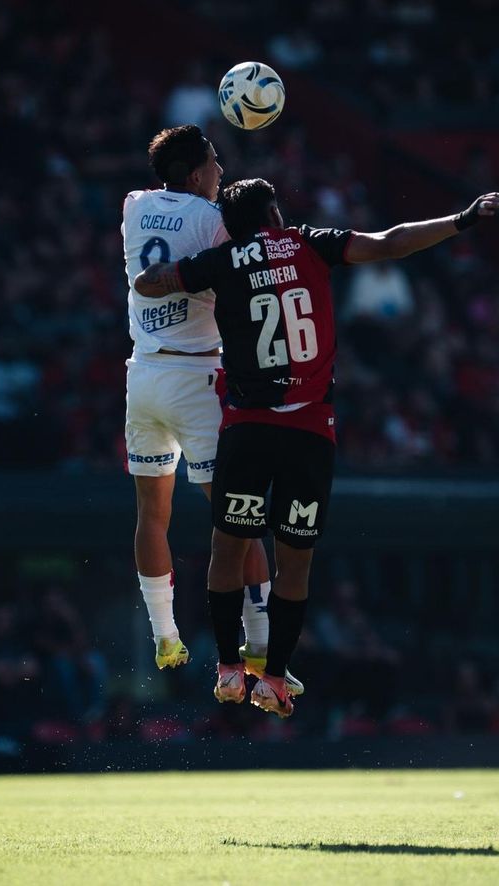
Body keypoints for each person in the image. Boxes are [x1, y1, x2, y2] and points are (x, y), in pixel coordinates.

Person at [135, 178, 499, 717]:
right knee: (296, 561)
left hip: (249, 429)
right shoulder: (310, 242)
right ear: (271, 212)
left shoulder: (219, 261)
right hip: (311, 433)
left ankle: (227, 666)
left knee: (229, 547)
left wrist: (154, 270)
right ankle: (276, 677)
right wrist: (462, 219)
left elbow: (153, 283)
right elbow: (391, 241)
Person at [122, 126, 303, 697]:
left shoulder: (135, 206)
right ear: (198, 173)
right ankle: (260, 644)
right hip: (196, 378)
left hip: (143, 373)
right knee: (238, 519)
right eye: (216, 163)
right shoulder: (211, 219)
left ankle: (164, 634)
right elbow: (253, 246)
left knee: (153, 513)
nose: (221, 171)